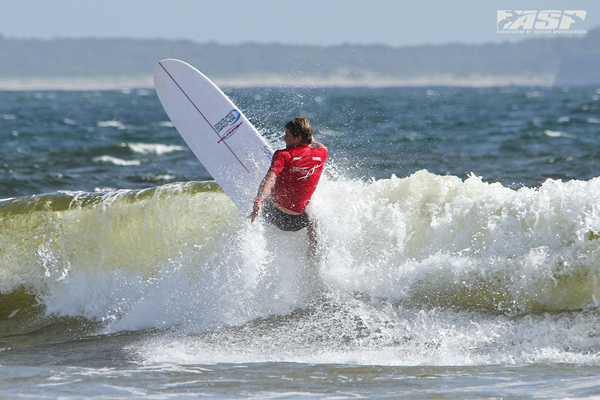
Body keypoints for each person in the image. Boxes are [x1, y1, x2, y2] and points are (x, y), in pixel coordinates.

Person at [249, 117, 327, 237]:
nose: (284, 138)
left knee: (266, 200)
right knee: (313, 211)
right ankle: (313, 251)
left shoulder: (283, 155)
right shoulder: (320, 154)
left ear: (298, 138)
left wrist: (258, 200)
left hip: (277, 216)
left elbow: (270, 178)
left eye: (287, 135)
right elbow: (323, 147)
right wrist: (313, 142)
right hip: (299, 221)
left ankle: (261, 237)